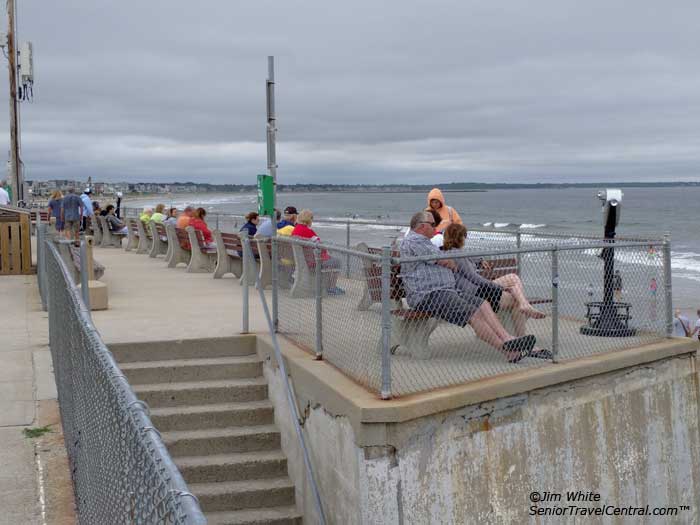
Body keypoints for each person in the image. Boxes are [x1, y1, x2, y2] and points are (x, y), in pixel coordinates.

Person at [400, 211, 536, 363]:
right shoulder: (413, 241)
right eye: (433, 225)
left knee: (482, 304)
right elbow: (442, 259)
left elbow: (447, 258)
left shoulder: (425, 243)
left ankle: (508, 338)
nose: (436, 228)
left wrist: (460, 260)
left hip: (446, 292)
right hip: (429, 295)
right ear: (422, 226)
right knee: (475, 314)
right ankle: (506, 348)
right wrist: (447, 261)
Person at [442, 223, 550, 359]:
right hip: (476, 293)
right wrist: (499, 287)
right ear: (461, 237)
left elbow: (471, 259)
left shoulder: (453, 252)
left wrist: (480, 261)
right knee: (514, 288)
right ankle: (524, 312)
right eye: (464, 236)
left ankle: (524, 306)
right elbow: (474, 278)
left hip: (478, 290)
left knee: (514, 284)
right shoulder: (456, 254)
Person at [292, 209, 344, 295]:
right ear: (309, 219)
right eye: (312, 218)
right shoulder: (308, 232)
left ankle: (329, 286)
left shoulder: (296, 230)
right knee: (337, 262)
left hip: (304, 261)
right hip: (313, 262)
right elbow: (320, 245)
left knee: (332, 261)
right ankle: (331, 287)